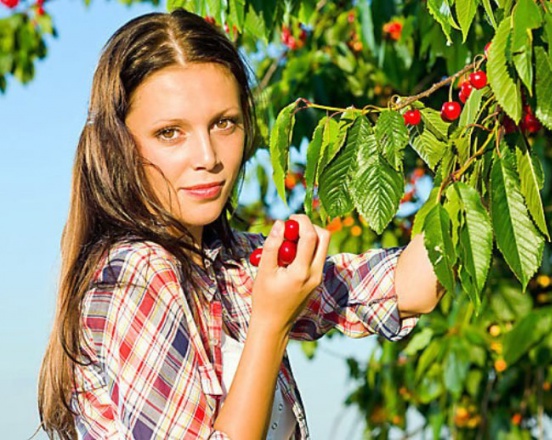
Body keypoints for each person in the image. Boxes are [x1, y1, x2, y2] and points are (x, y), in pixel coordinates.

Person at [37, 8, 443, 440]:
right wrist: (271, 323)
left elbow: (407, 289)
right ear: (118, 145)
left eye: (223, 124)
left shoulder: (232, 266)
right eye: (170, 132)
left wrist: (478, 158)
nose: (208, 157)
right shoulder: (136, 275)